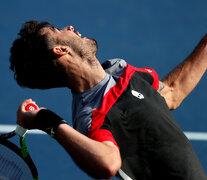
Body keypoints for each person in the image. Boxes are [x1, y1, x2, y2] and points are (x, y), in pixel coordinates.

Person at [10, 20, 207, 180]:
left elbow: (172, 92)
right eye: (57, 30)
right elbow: (108, 164)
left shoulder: (120, 71)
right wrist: (48, 121)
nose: (69, 27)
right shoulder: (91, 114)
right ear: (60, 50)